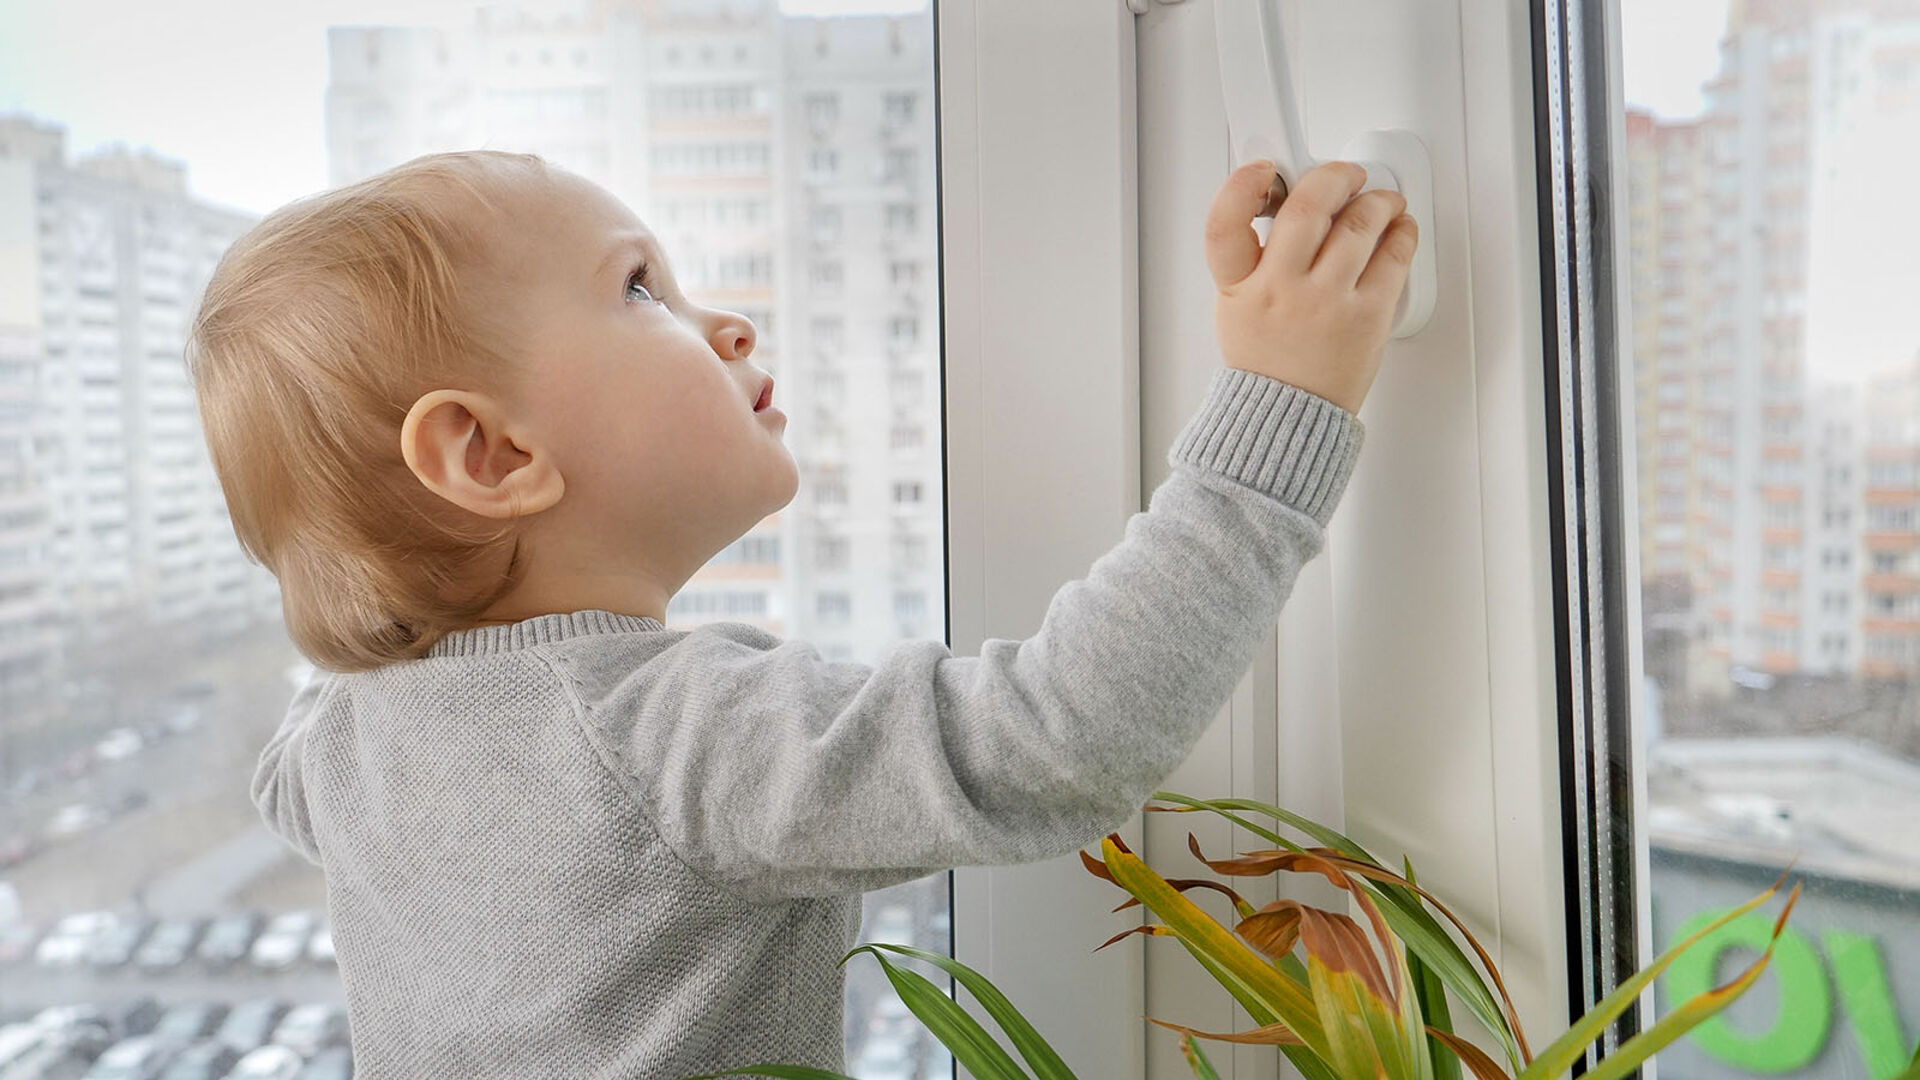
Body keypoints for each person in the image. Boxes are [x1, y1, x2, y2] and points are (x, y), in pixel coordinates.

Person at [189, 149, 1415, 1077]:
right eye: (640, 289)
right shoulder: (665, 738)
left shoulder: (343, 749)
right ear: (491, 453)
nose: (725, 321)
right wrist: (1280, 401)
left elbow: (296, 779)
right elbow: (1058, 737)